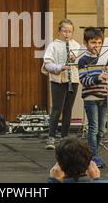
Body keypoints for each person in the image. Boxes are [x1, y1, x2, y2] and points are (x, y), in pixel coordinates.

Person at [78, 27, 108, 168]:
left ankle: (92, 153)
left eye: (99, 43)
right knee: (93, 128)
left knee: (101, 130)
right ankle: (93, 157)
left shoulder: (105, 58)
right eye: (93, 42)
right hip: (91, 98)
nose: (97, 46)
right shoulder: (83, 60)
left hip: (104, 97)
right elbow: (83, 79)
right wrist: (97, 78)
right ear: (86, 43)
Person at [42, 19, 81, 150]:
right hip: (58, 80)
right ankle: (51, 137)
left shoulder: (76, 45)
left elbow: (81, 62)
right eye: (64, 31)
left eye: (70, 31)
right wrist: (60, 67)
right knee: (57, 108)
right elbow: (47, 63)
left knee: (68, 109)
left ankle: (64, 137)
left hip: (73, 80)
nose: (67, 34)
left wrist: (75, 60)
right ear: (59, 32)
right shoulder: (53, 45)